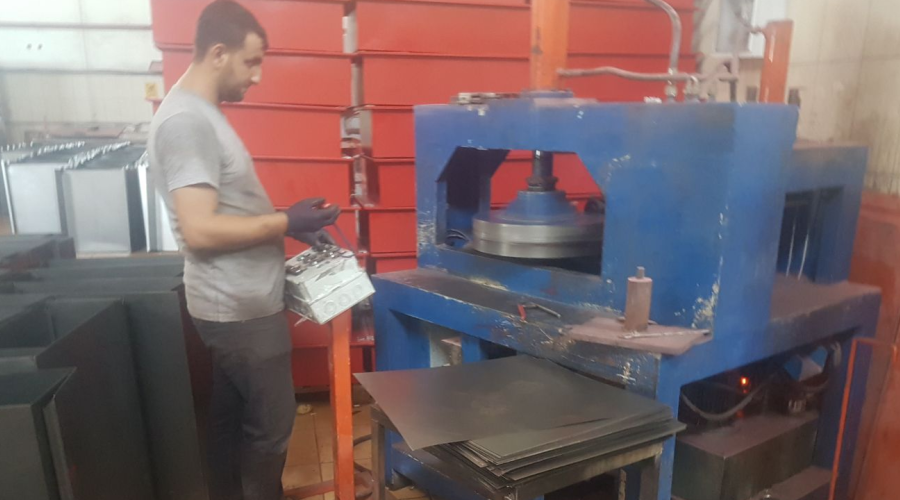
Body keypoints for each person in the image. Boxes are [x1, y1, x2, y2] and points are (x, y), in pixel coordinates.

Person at [147, 1, 339, 499]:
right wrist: (286, 221)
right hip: (240, 313)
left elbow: (224, 209)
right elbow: (200, 230)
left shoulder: (199, 113)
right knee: (271, 428)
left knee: (230, 425)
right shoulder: (186, 123)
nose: (257, 76)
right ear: (218, 53)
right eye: (251, 62)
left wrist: (287, 226)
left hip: (234, 305)